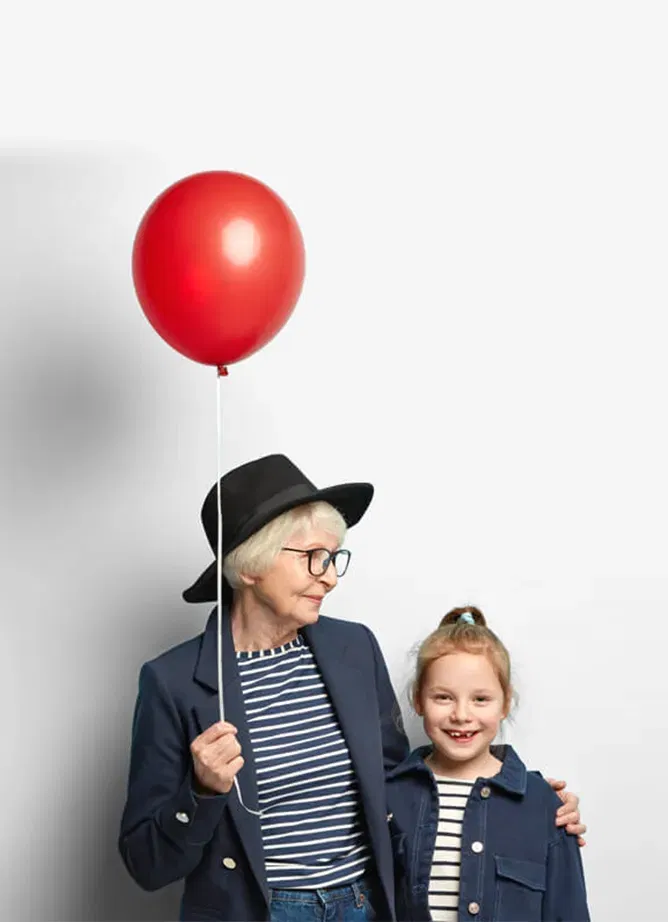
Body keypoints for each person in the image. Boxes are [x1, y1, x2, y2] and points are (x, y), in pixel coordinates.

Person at [118, 456, 585, 922]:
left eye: (334, 557)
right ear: (249, 567)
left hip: (364, 907)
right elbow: (147, 865)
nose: (331, 576)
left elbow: (400, 784)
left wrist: (527, 805)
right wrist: (200, 792)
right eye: (312, 559)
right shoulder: (173, 681)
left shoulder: (353, 648)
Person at [386, 606, 590, 922]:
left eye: (480, 699)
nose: (462, 715)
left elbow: (569, 912)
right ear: (418, 699)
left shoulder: (544, 806)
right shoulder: (389, 796)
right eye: (443, 697)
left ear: (505, 703)